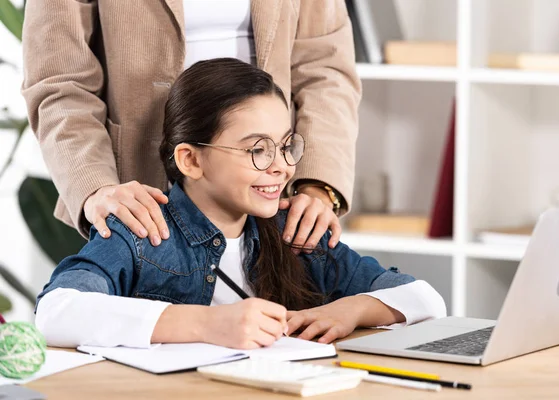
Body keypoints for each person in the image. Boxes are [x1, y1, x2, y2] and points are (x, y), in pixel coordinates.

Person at [35, 59, 445, 349]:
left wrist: (350, 310)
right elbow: (56, 312)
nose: (282, 167)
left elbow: (426, 299)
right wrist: (207, 324)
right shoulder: (145, 232)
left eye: (286, 146)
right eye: (257, 150)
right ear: (191, 159)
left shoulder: (292, 233)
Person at [21, 0, 361, 251]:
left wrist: (318, 184)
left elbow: (326, 69)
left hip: (271, 195)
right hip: (138, 198)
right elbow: (60, 82)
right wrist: (96, 187)